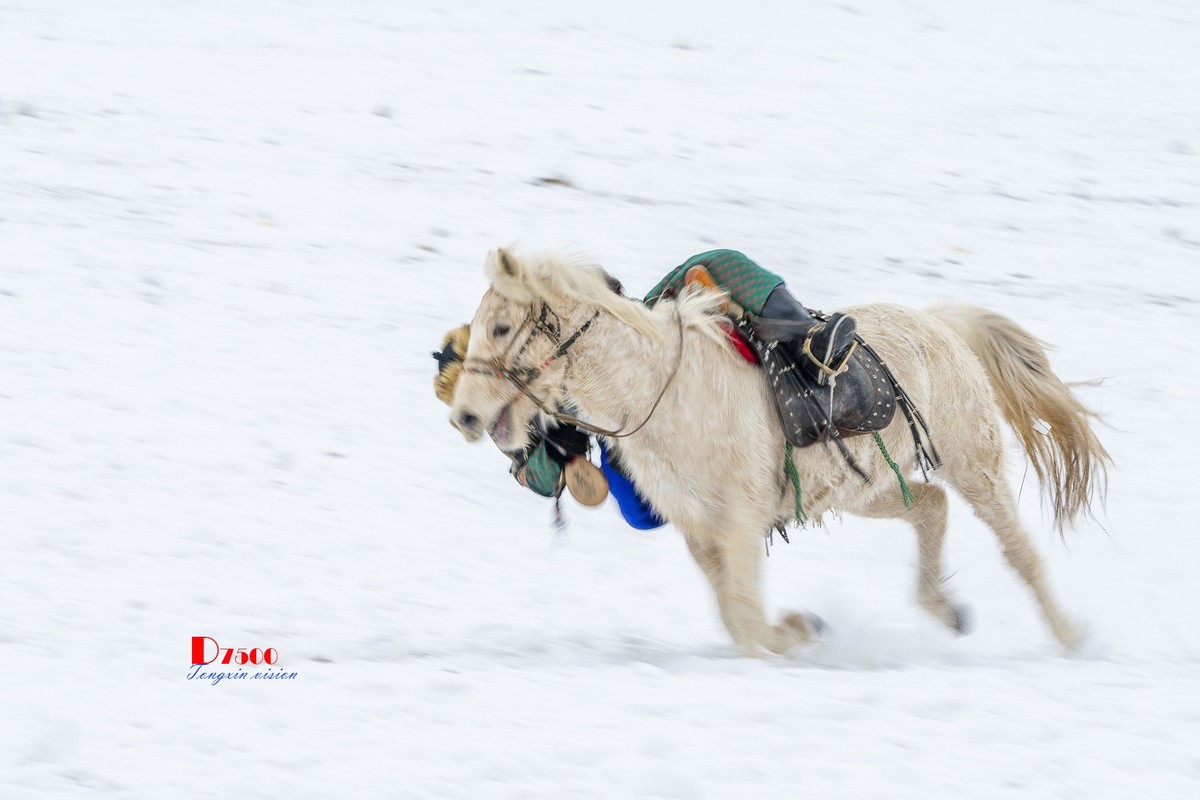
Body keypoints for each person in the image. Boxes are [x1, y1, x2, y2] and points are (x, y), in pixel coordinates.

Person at [433, 249, 859, 528]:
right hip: (626, 440)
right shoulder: (505, 421)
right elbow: (537, 477)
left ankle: (808, 342)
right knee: (640, 513)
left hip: (639, 353)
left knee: (717, 264)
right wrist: (563, 453)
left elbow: (604, 287)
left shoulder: (536, 322)